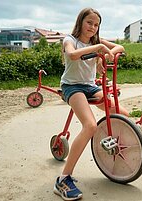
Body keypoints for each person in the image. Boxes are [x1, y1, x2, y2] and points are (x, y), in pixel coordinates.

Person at [54, 7, 129, 201]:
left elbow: (120, 48)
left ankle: (111, 145)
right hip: (72, 87)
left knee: (123, 114)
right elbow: (72, 55)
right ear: (80, 22)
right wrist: (98, 49)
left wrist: (106, 52)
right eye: (89, 23)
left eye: (96, 25)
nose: (93, 27)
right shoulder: (70, 40)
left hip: (90, 86)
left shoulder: (96, 41)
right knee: (90, 126)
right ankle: (63, 179)